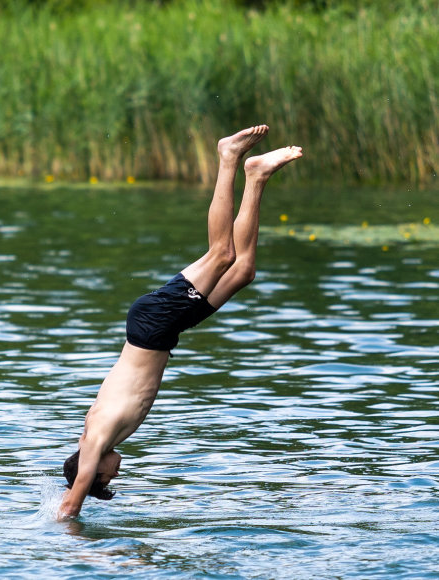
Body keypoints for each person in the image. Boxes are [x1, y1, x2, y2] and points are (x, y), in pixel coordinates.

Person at [58, 125, 303, 519]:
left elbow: (70, 503)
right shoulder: (100, 434)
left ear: (90, 470)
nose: (113, 474)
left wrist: (83, 553)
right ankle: (256, 176)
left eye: (104, 479)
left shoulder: (96, 439)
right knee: (242, 272)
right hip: (161, 331)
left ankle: (227, 157)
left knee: (221, 253)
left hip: (153, 325)